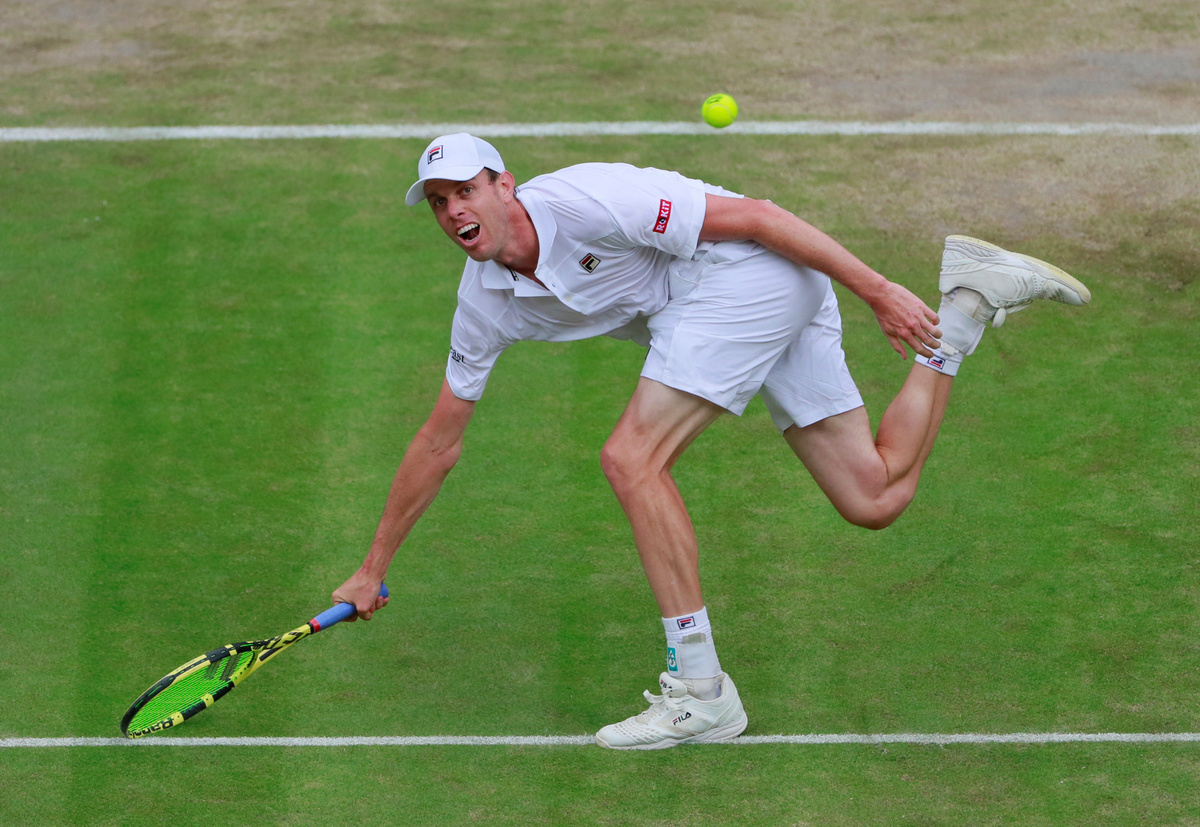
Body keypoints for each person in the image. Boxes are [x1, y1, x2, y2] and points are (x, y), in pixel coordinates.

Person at [332, 132, 1090, 750]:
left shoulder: (587, 198)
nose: (454, 211)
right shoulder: (485, 303)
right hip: (744, 302)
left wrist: (879, 290)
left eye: (465, 190)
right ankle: (966, 307)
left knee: (632, 459)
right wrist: (372, 569)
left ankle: (701, 691)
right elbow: (438, 442)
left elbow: (756, 216)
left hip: (749, 275)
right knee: (874, 494)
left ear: (505, 186)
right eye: (439, 202)